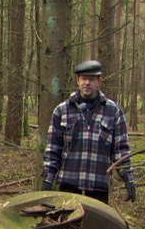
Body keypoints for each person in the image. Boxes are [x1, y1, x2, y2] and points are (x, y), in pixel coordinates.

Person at [41, 60, 135, 204]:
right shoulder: (62, 111)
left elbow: (121, 151)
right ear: (77, 81)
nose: (87, 83)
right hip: (69, 185)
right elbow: (53, 149)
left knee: (95, 227)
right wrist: (48, 179)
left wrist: (128, 179)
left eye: (91, 79)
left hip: (99, 187)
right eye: (83, 79)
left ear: (99, 81)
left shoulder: (113, 111)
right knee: (68, 226)